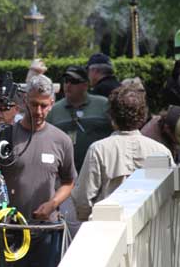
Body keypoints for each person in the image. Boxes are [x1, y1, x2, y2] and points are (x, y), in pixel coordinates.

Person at [0, 74, 77, 267]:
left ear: (52, 103)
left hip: (47, 232)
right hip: (11, 231)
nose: (38, 111)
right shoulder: (7, 136)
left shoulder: (61, 141)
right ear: (25, 101)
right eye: (33, 104)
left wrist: (52, 204)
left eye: (44, 106)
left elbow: (69, 182)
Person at [72, 84, 173, 221]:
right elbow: (171, 193)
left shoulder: (99, 149)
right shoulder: (161, 151)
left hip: (108, 229)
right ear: (142, 116)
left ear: (111, 116)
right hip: (150, 229)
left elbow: (83, 199)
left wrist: (88, 220)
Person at [47, 65, 112, 173]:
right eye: (66, 81)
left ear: (85, 85)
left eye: (74, 81)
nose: (68, 85)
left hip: (100, 170)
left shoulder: (103, 104)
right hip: (66, 173)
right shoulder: (53, 110)